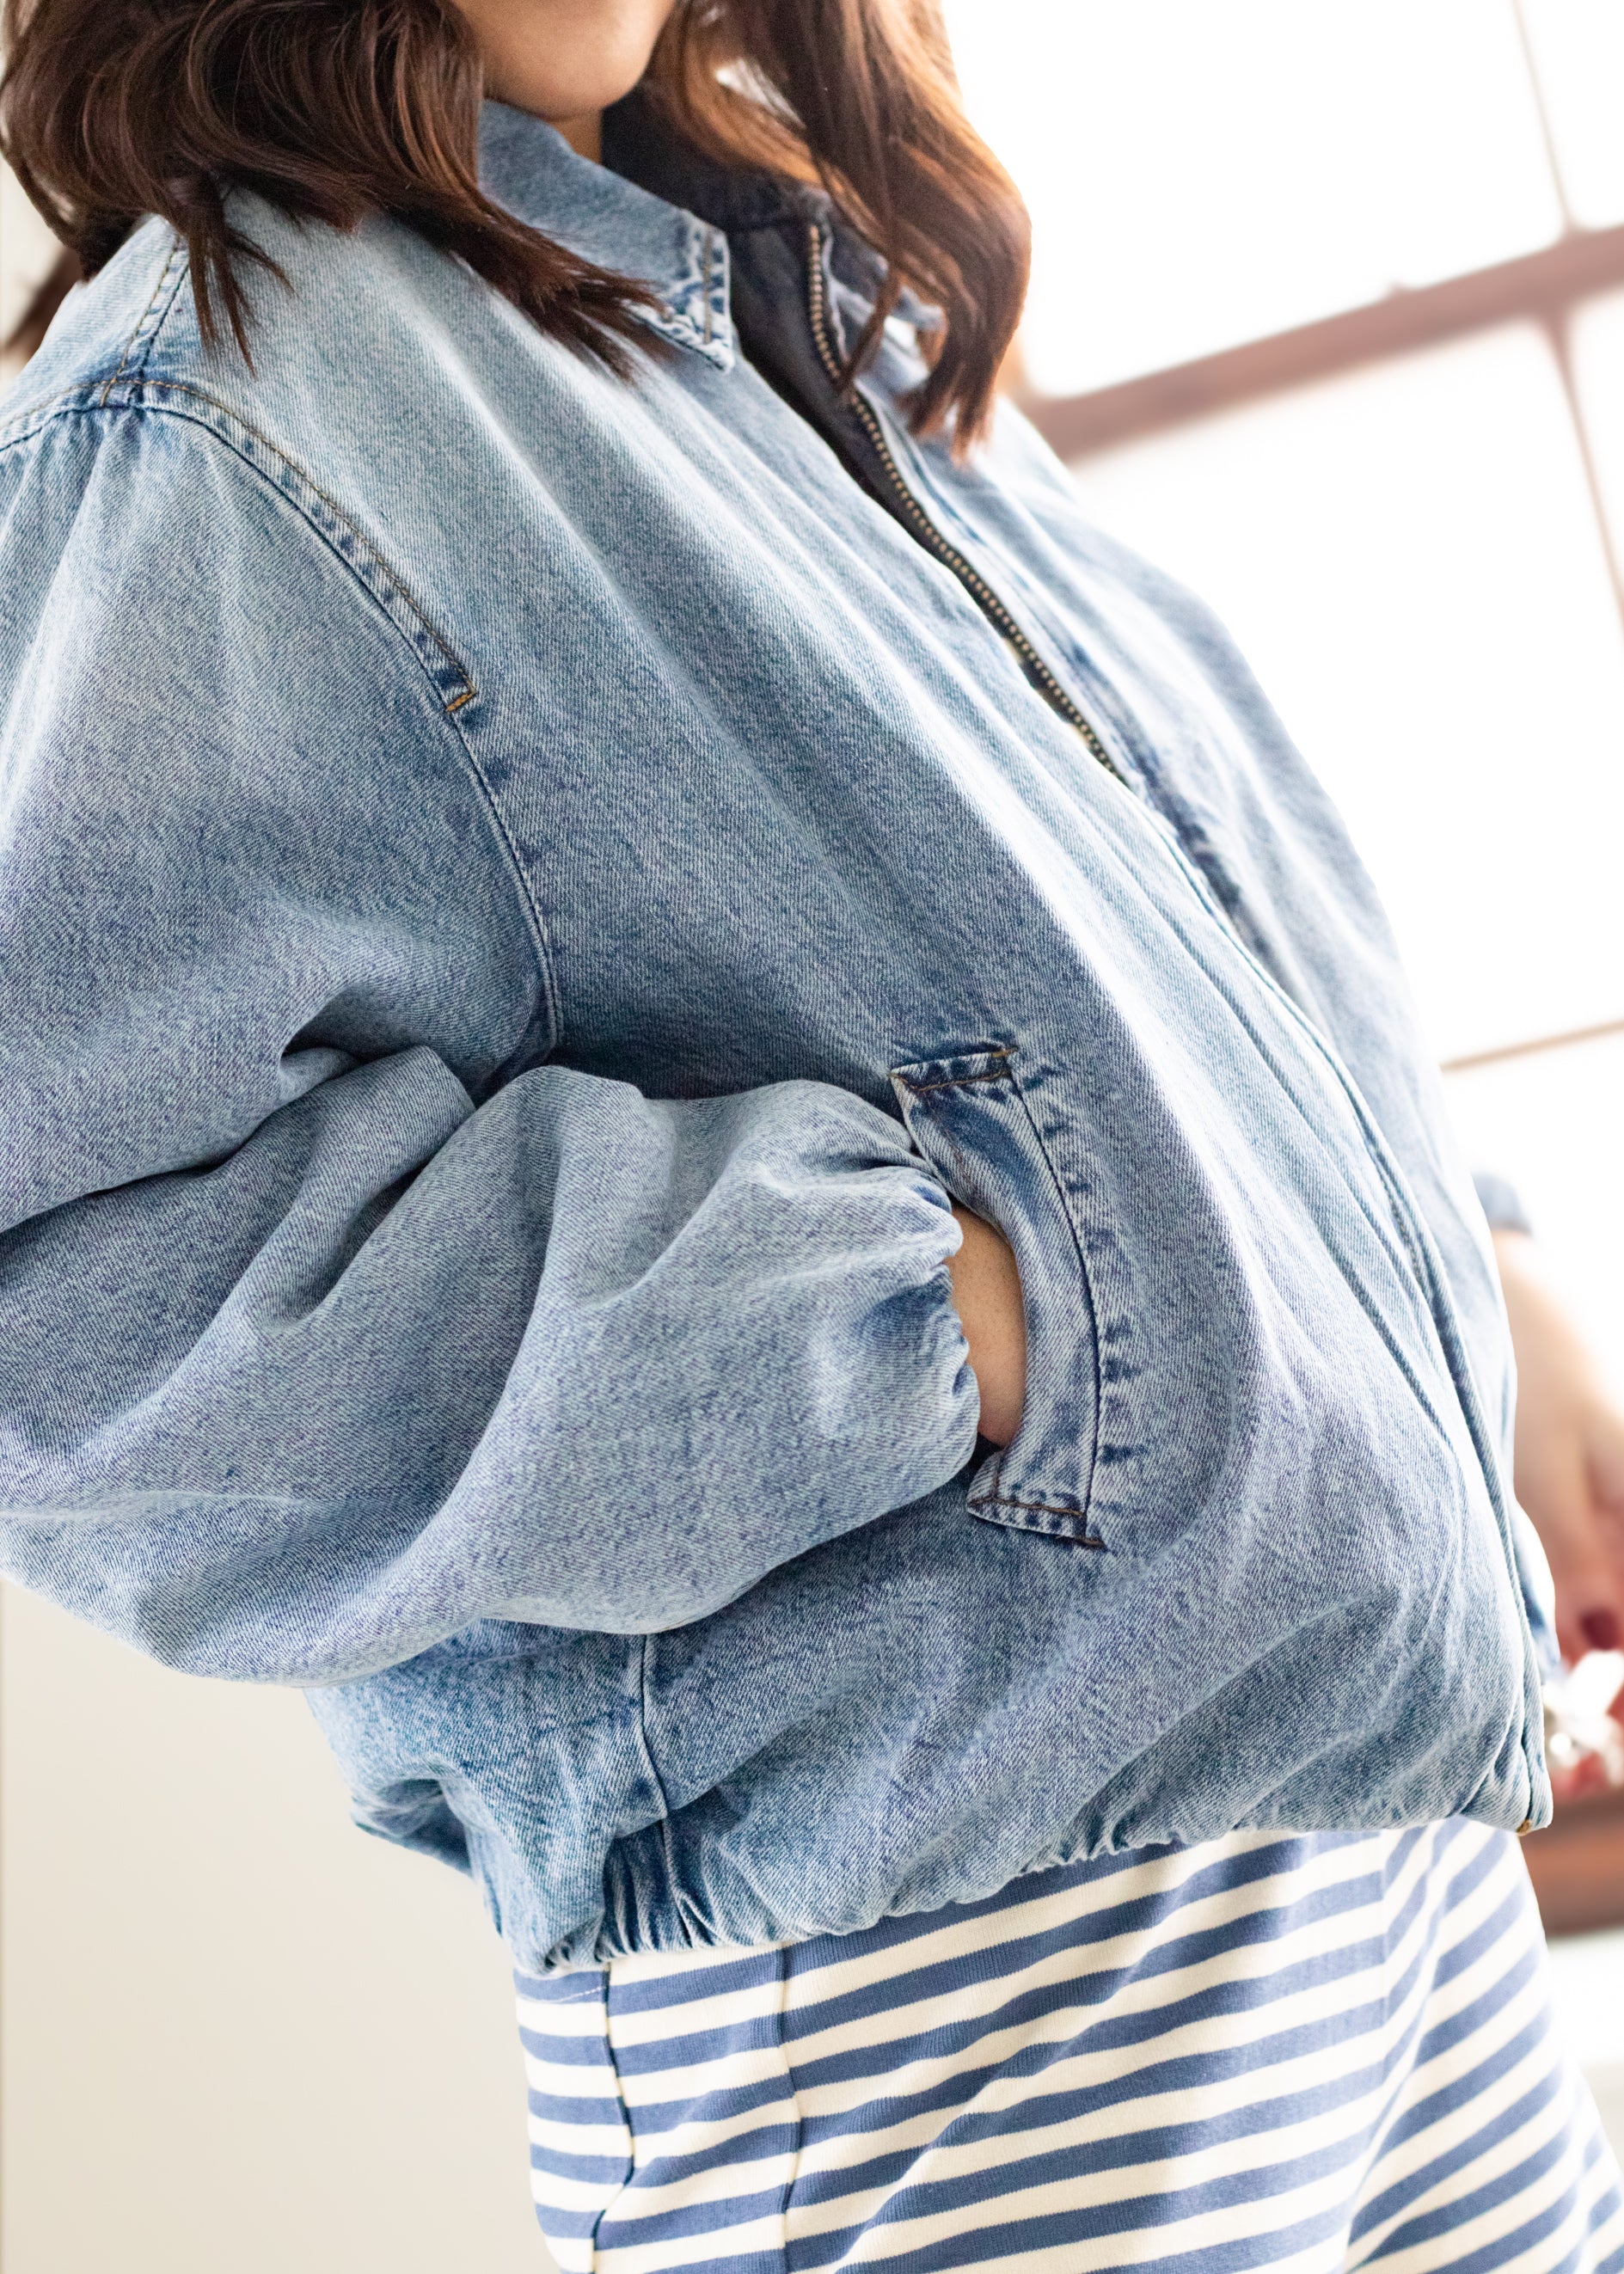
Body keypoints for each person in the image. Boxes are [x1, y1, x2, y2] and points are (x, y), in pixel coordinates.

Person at [0, 0, 1621, 2265]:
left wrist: (1468, 1273)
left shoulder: (798, 276)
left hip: (1372, 1847)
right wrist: (933, 1318)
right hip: (936, 1985)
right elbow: (73, 1303)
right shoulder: (223, 401)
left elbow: (1119, 947)